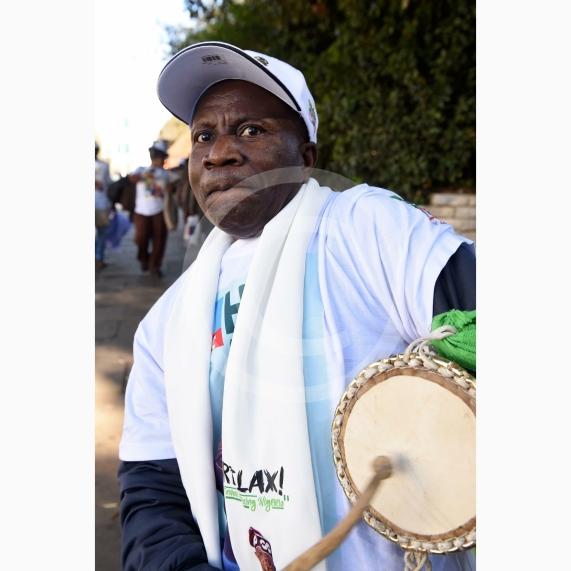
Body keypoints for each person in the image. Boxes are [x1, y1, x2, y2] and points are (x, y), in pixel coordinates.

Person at [118, 41, 476, 571]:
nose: (219, 152)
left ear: (306, 157)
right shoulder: (165, 323)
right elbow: (153, 491)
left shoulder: (363, 228)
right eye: (203, 136)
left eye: (250, 130)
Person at [130, 140, 175, 277]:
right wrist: (141, 177)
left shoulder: (167, 174)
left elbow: (172, 189)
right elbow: (132, 178)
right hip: (141, 212)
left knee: (159, 241)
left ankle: (155, 266)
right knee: (140, 239)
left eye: (161, 157)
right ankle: (144, 259)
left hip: (160, 212)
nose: (160, 160)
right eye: (158, 156)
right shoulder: (141, 169)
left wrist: (170, 188)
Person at [94, 142, 112, 270]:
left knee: (101, 234)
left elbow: (108, 184)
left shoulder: (104, 166)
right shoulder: (104, 166)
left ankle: (98, 258)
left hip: (101, 203)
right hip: (101, 203)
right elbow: (109, 184)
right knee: (101, 234)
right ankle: (98, 258)